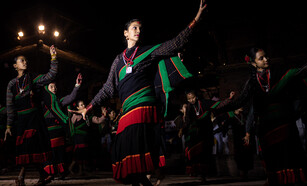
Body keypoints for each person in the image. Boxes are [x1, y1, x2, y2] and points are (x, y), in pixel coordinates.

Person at [69, 1, 207, 185]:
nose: (138, 31)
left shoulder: (148, 52)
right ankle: (147, 180)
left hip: (144, 105)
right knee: (125, 151)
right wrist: (88, 107)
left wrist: (196, 18)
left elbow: (175, 43)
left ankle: (151, 173)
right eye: (134, 28)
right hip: (127, 108)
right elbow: (108, 88)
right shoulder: (118, 60)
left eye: (140, 28)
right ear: (125, 33)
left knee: (134, 147)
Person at [214, 36, 307, 185]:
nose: (266, 59)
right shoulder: (252, 82)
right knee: (272, 157)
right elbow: (241, 100)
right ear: (254, 63)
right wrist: (220, 106)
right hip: (267, 127)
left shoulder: (279, 74)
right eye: (261, 58)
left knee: (289, 154)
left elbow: (303, 71)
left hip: (285, 123)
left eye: (266, 56)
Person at [4, 45, 58, 185]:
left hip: (34, 119)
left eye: (26, 60)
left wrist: (53, 57)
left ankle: (22, 177)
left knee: (33, 147)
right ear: (15, 65)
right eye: (22, 60)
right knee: (26, 149)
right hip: (22, 121)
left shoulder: (32, 78)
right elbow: (10, 106)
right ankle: (43, 175)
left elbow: (51, 75)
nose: (25, 62)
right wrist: (9, 125)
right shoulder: (11, 84)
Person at [182, 89, 234, 182]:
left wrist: (229, 98)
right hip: (195, 135)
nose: (191, 100)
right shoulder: (189, 107)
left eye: (193, 98)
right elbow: (187, 122)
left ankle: (204, 174)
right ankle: (197, 172)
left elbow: (219, 105)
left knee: (205, 154)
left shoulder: (204, 103)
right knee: (196, 154)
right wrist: (185, 113)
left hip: (206, 132)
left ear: (196, 96)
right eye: (189, 99)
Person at [41, 73, 82, 181]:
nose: (54, 89)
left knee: (60, 153)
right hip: (48, 134)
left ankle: (62, 172)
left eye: (55, 87)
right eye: (51, 87)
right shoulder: (42, 104)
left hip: (59, 133)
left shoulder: (59, 101)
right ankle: (50, 173)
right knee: (50, 154)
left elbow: (71, 97)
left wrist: (76, 86)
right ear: (46, 89)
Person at [68, 100, 106, 176]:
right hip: (78, 137)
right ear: (78, 108)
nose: (83, 106)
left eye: (84, 104)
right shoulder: (75, 115)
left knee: (83, 153)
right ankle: (71, 168)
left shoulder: (89, 116)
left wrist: (104, 115)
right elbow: (71, 125)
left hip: (85, 137)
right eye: (81, 105)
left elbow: (98, 121)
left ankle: (81, 170)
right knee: (78, 153)